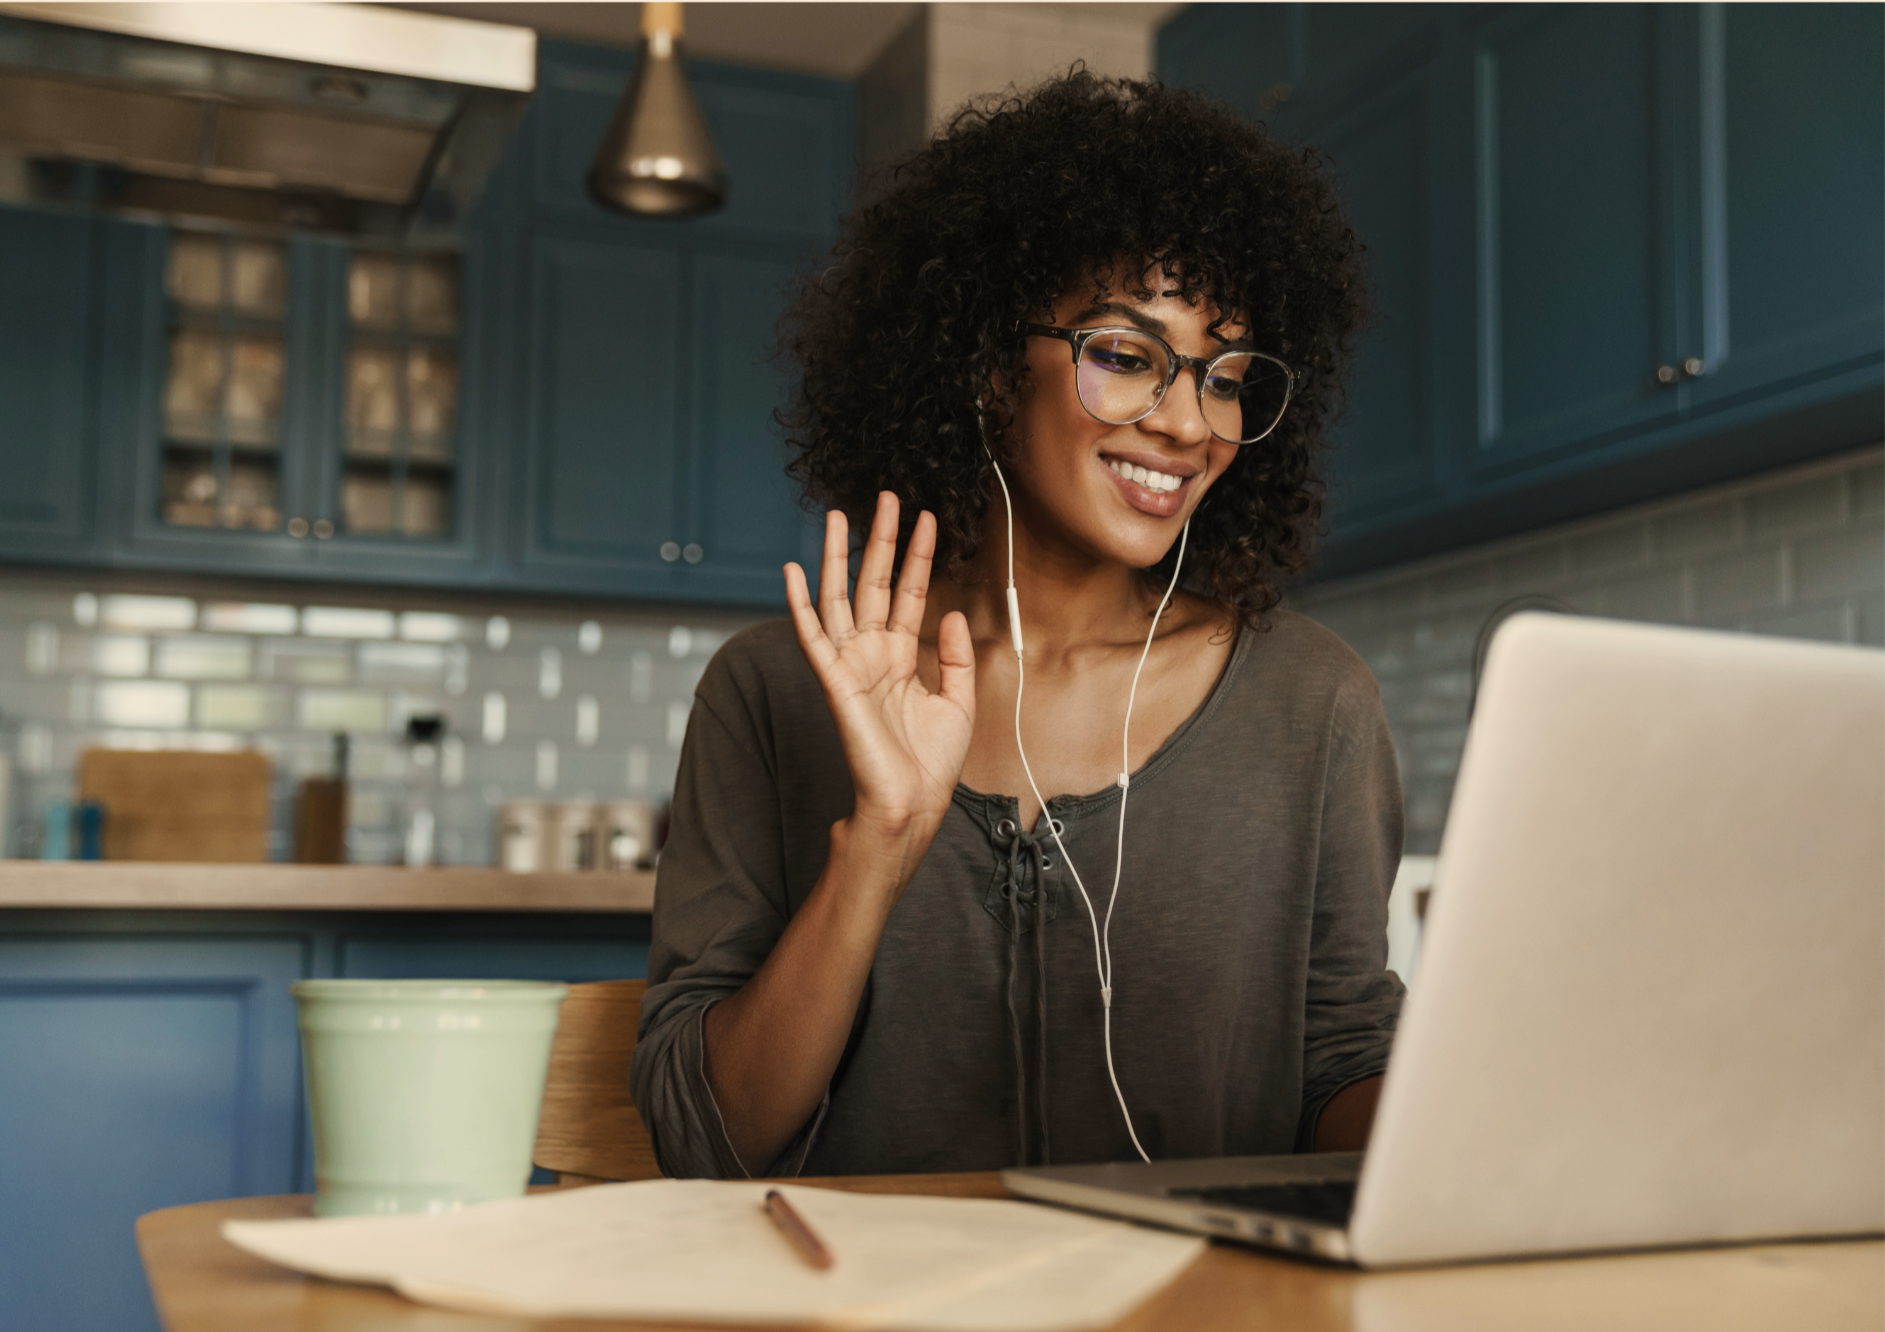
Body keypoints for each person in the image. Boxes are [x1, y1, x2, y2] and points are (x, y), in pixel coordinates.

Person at [629, 71, 1404, 1179]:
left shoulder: (1311, 702)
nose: (1188, 423)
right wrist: (880, 850)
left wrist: (1484, 1129)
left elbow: (1340, 1067)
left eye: (1227, 377)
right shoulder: (774, 691)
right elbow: (705, 1140)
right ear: (993, 368)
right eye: (1128, 356)